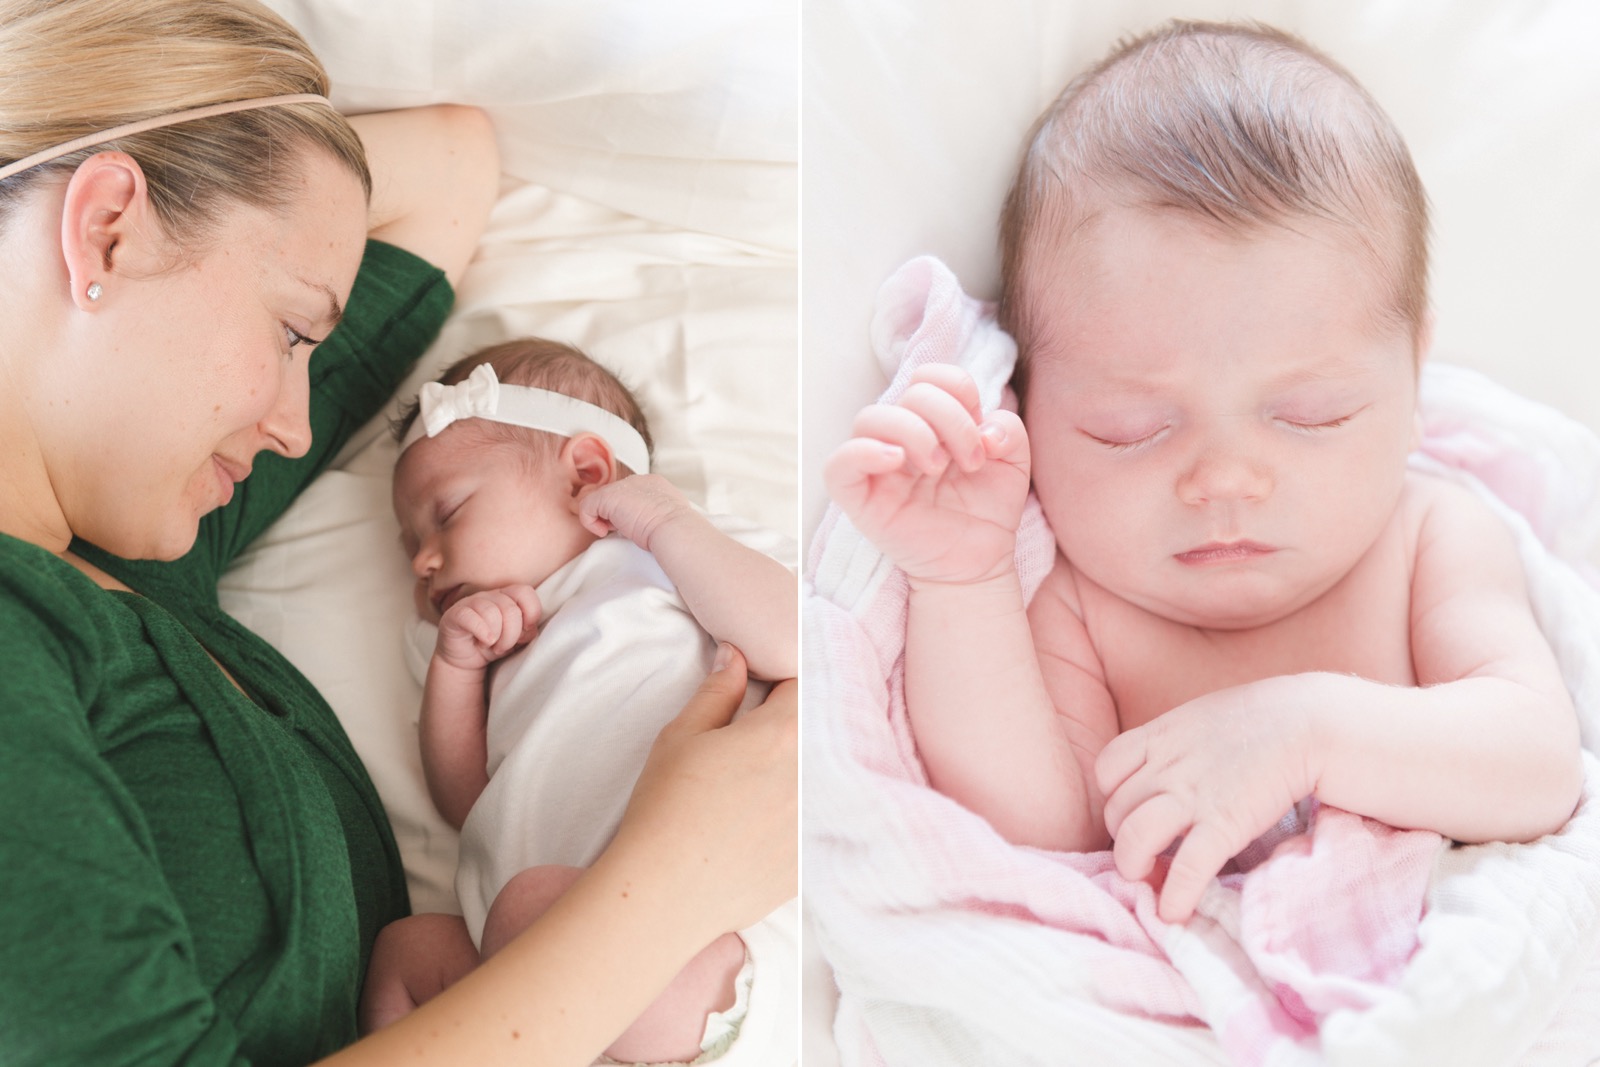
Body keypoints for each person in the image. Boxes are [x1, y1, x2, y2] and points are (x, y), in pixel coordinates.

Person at [0, 2, 797, 1065]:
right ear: (105, 227)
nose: (295, 423)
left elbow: (452, 167)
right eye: (290, 332)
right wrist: (675, 879)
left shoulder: (141, 544)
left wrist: (145, 145)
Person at [823, 19, 1581, 925]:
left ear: (1414, 377)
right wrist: (963, 581)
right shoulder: (1083, 598)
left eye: (1311, 415)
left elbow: (1536, 761)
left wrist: (1309, 732)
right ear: (1028, 401)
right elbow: (1038, 830)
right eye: (1128, 429)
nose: (1224, 479)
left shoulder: (1428, 536)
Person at [363, 339, 798, 1064]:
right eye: (411, 540)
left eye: (448, 513)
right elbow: (465, 801)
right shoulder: (482, 648)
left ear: (588, 474)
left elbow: (792, 642)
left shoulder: (668, 559)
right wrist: (457, 670)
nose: (421, 560)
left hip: (693, 960)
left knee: (527, 906)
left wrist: (669, 525)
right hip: (533, 987)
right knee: (403, 951)